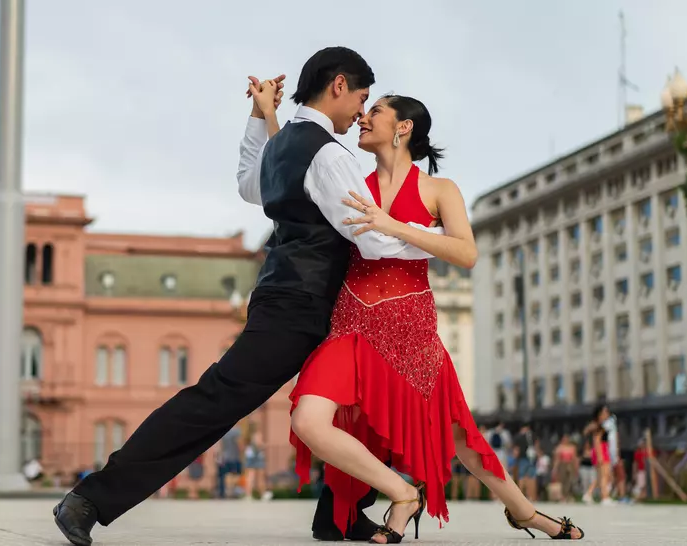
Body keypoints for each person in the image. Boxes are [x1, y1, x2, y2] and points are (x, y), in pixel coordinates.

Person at [54, 47, 420, 546]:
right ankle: (89, 499)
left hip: (294, 298)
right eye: (360, 96)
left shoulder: (286, 143)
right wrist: (439, 237)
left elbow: (250, 186)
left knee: (356, 403)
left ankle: (340, 516)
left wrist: (256, 117)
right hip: (301, 304)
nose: (361, 110)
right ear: (338, 85)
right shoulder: (330, 154)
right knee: (216, 400)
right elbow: (371, 237)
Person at [249, 83, 585, 542]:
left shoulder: (439, 190)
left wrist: (393, 225)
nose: (363, 116)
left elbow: (466, 253)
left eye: (378, 110)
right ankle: (402, 494)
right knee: (308, 419)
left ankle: (525, 513)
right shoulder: (350, 182)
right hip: (351, 326)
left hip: (412, 332)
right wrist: (268, 115)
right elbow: (290, 165)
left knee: (463, 440)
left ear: (402, 127)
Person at [552, 435, 579, 503]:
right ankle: (563, 496)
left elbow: (574, 458)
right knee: (562, 480)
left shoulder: (572, 447)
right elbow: (557, 459)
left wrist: (576, 467)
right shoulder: (559, 447)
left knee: (570, 480)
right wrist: (554, 468)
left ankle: (568, 496)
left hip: (570, 464)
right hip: (562, 465)